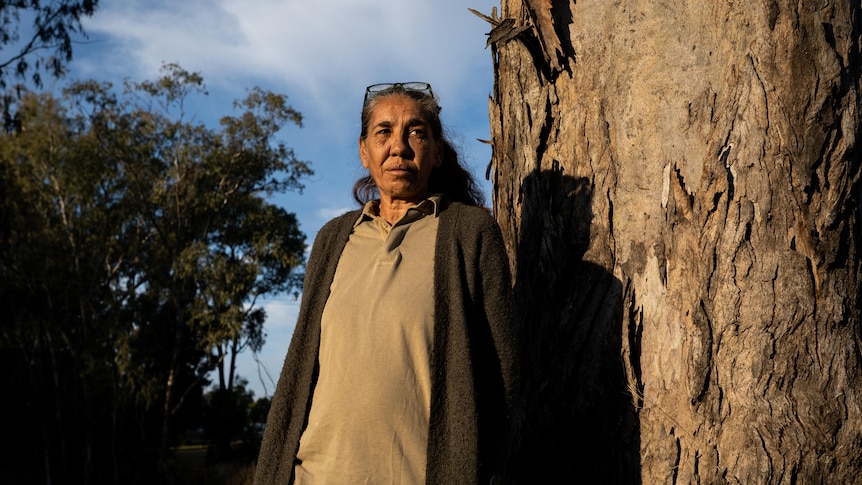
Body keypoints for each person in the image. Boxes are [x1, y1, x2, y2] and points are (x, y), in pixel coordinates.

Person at [254, 82, 518, 484]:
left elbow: (505, 375)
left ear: (437, 152)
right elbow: (299, 364)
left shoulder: (469, 232)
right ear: (365, 151)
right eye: (384, 132)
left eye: (416, 132)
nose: (399, 146)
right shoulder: (333, 238)